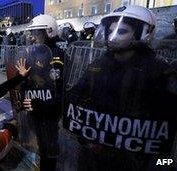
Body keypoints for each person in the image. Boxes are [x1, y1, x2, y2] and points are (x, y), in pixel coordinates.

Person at [66, 5, 177, 171]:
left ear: (143, 32)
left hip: (133, 156)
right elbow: (76, 94)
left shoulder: (157, 69)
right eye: (110, 31)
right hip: (95, 148)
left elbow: (166, 121)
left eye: (122, 31)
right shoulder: (100, 63)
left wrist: (163, 163)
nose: (112, 36)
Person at [22, 14, 64, 171]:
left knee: (50, 143)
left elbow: (56, 84)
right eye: (33, 33)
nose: (33, 37)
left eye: (37, 32)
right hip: (35, 105)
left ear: (50, 32)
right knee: (40, 140)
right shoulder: (33, 52)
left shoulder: (57, 54)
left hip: (49, 108)